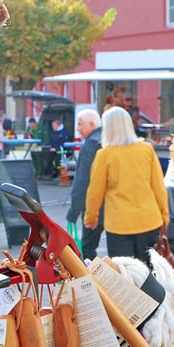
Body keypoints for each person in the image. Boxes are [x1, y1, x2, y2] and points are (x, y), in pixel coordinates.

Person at [84, 106, 168, 265]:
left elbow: (95, 192)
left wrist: (91, 218)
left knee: (125, 276)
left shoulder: (104, 154)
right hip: (149, 221)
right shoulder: (146, 149)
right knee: (148, 274)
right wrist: (165, 214)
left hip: (119, 225)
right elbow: (158, 186)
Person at [66, 108, 104, 258]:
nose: (78, 129)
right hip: (115, 208)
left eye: (80, 124)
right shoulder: (108, 140)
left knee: (88, 250)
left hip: (94, 209)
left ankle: (93, 281)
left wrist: (73, 212)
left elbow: (82, 182)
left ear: (92, 124)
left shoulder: (90, 145)